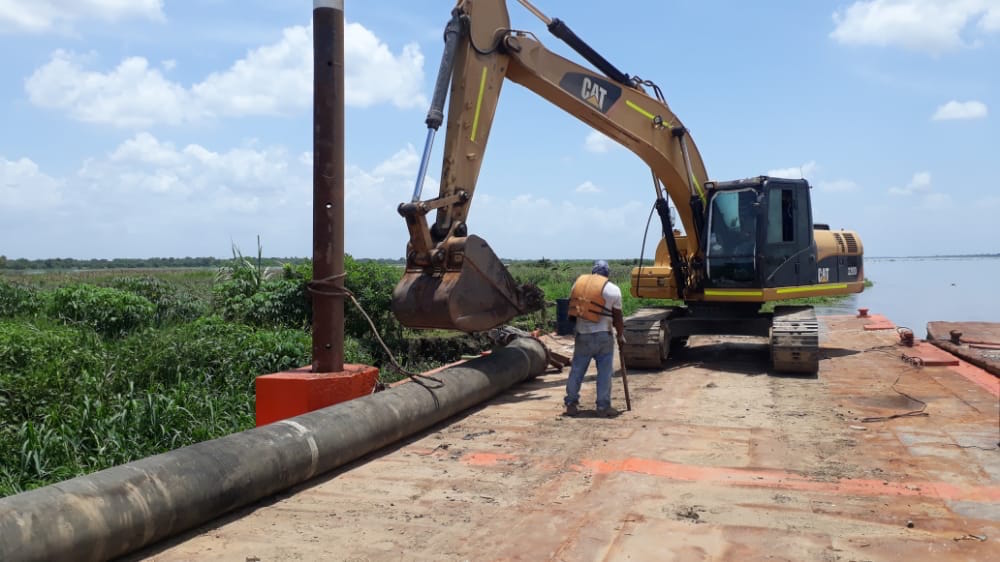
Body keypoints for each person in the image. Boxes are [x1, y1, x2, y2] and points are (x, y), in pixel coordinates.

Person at [564, 260, 625, 417]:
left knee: (576, 371)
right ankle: (603, 407)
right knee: (604, 373)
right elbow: (618, 318)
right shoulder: (613, 290)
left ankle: (571, 404)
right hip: (603, 336)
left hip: (582, 335)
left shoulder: (578, 286)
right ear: (607, 274)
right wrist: (620, 335)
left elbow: (572, 312)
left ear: (593, 272)